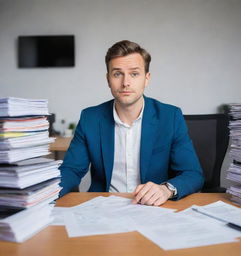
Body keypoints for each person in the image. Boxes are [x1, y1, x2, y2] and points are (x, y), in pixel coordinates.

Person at [59, 40, 204, 206]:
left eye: (134, 74)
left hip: (153, 209)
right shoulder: (90, 118)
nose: (125, 82)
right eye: (117, 74)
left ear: (146, 79)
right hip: (102, 209)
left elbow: (193, 174)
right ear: (108, 80)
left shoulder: (170, 117)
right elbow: (71, 170)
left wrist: (166, 189)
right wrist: (39, 196)